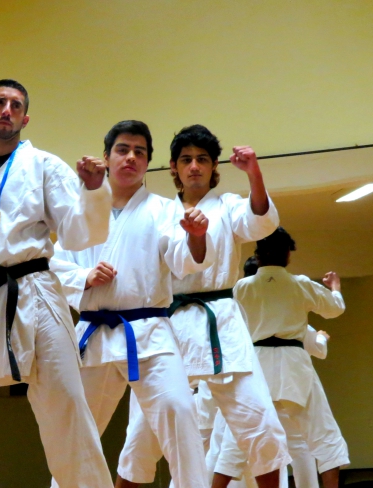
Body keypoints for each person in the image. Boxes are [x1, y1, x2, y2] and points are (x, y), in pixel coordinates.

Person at [0, 79, 114, 487]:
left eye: (16, 105)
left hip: (34, 290)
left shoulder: (44, 165)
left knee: (67, 406)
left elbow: (77, 234)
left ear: (25, 118)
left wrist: (94, 190)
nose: (7, 110)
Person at [118, 125, 289, 488]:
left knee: (260, 421)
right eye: (186, 160)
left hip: (221, 321)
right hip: (169, 323)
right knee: (143, 431)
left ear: (214, 167)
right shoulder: (158, 211)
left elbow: (261, 222)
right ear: (173, 167)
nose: (194, 166)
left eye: (202, 159)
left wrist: (254, 173)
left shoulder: (227, 205)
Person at [52, 120, 213, 488]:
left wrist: (197, 238)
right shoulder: (82, 210)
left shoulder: (164, 210)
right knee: (75, 431)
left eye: (140, 152)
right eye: (123, 150)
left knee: (179, 410)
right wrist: (85, 276)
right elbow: (53, 265)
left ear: (148, 163)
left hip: (149, 330)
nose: (131, 157)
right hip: (93, 334)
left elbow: (184, 260)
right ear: (106, 157)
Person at [225, 228, 349, 488]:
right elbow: (335, 309)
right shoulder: (299, 283)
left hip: (255, 363)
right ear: (288, 254)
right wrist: (335, 289)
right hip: (293, 362)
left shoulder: (242, 287)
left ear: (258, 255)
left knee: (234, 443)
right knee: (325, 436)